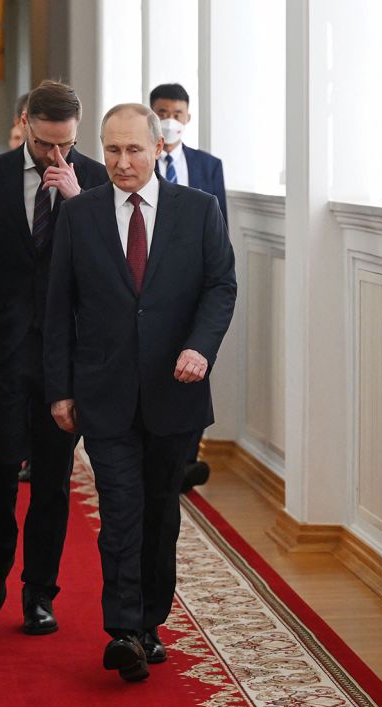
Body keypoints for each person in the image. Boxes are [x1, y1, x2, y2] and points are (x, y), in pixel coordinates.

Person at [44, 104, 236, 682]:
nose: (122, 162)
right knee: (121, 509)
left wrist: (201, 347)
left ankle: (151, 622)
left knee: (160, 515)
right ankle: (124, 629)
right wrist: (60, 390)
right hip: (104, 394)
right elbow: (59, 309)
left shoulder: (198, 210)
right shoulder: (79, 216)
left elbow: (220, 286)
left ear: (157, 149)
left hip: (175, 393)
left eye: (133, 150)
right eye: (111, 150)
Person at [0, 80, 108, 635]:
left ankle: (39, 591)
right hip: (0, 347)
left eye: (65, 144)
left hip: (64, 356)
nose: (55, 156)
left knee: (53, 475)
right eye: (46, 144)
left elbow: (111, 269)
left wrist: (78, 202)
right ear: (25, 123)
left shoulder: (93, 181)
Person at [149, 82, 229, 491]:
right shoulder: (142, 164)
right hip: (152, 288)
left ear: (188, 117)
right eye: (163, 112)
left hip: (196, 286)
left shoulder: (208, 166)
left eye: (177, 114)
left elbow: (220, 230)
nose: (170, 121)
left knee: (195, 368)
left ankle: (186, 458)